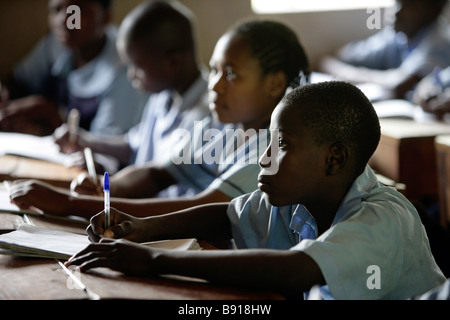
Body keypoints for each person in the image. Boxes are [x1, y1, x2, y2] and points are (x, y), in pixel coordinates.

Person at [66, 81, 446, 300]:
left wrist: (151, 261)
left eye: (282, 146)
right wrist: (143, 229)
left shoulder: (383, 217)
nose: (264, 159)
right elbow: (228, 217)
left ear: (334, 159)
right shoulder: (297, 201)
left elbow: (297, 271)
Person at [9, 19, 311, 218]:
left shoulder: (271, 153)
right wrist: (105, 189)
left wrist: (71, 204)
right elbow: (157, 173)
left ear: (274, 84)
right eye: (215, 70)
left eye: (231, 74)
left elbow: (202, 209)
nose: (215, 85)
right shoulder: (219, 128)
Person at [53, 0, 211, 196]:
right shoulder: (162, 96)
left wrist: (110, 184)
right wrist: (86, 141)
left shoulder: (205, 118)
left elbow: (159, 185)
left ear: (173, 62)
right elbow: (134, 144)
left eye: (137, 67)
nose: (131, 75)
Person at [0, 0, 147, 137]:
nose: (64, 20)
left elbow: (104, 153)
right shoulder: (57, 44)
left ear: (105, 17)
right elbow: (17, 82)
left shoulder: (124, 69)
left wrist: (49, 115)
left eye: (78, 11)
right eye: (56, 10)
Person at [317, 0, 450, 100]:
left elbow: (399, 84)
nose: (397, 11)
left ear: (434, 12)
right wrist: (345, 73)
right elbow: (331, 58)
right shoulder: (398, 35)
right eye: (396, 2)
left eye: (408, 5)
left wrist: (348, 75)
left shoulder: (440, 42)